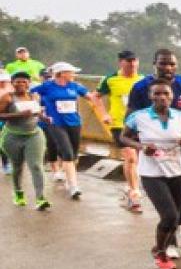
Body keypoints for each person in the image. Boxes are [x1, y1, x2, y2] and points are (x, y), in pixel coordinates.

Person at [128, 50, 181, 259]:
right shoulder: (141, 88)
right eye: (163, 64)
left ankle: (177, 225)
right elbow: (130, 122)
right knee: (167, 209)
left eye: (172, 64)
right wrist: (141, 145)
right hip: (154, 157)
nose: (167, 68)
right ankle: (167, 243)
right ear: (154, 64)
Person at [32, 62, 111, 200]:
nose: (74, 75)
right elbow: (30, 93)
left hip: (74, 123)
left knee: (73, 155)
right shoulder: (47, 86)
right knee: (67, 153)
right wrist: (39, 108)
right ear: (61, 73)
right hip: (56, 123)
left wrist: (103, 108)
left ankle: (66, 172)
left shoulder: (75, 86)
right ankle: (73, 186)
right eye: (71, 72)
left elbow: (91, 97)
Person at [98, 49, 147, 212]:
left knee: (138, 159)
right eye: (128, 61)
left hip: (139, 124)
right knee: (131, 157)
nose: (132, 64)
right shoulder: (110, 79)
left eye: (134, 61)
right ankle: (134, 194)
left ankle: (130, 185)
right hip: (119, 124)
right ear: (121, 62)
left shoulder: (143, 80)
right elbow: (95, 96)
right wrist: (104, 114)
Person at [0, 71, 51, 209]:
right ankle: (18, 193)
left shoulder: (34, 96)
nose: (21, 84)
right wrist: (19, 114)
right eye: (18, 81)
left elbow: (37, 111)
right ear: (12, 83)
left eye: (24, 81)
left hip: (33, 135)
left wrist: (44, 118)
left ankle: (40, 198)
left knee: (36, 165)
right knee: (17, 167)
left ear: (29, 83)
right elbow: (1, 115)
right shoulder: (7, 98)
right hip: (13, 136)